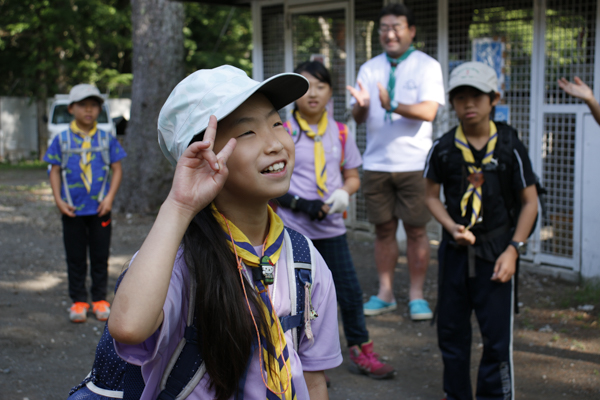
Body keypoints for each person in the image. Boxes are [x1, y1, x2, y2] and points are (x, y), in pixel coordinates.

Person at [107, 65, 342, 400]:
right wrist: (179, 205)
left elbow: (313, 378)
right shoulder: (177, 260)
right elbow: (129, 327)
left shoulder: (304, 260)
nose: (275, 143)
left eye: (277, 123)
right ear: (203, 155)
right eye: (247, 133)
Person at [423, 61, 538, 400]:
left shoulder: (509, 146)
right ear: (452, 103)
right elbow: (430, 196)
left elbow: (530, 202)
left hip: (497, 252)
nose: (468, 104)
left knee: (497, 339)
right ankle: (456, 394)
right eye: (460, 97)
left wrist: (513, 249)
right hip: (456, 252)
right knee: (452, 333)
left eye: (477, 96)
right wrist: (450, 227)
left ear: (494, 99)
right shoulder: (443, 148)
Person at [276, 61, 395, 379]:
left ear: (331, 92)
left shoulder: (341, 132)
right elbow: (271, 180)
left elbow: (352, 176)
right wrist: (300, 204)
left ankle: (361, 350)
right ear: (295, 94)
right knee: (298, 296)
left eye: (320, 86)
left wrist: (344, 193)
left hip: (332, 228)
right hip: (294, 229)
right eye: (305, 86)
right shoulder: (282, 131)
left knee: (350, 291)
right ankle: (305, 362)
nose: (312, 93)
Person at [347, 3, 445, 320]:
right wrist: (361, 106)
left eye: (396, 26)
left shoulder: (427, 66)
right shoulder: (369, 68)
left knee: (417, 231)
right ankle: (385, 292)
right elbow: (358, 116)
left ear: (411, 30)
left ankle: (417, 296)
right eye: (384, 28)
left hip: (416, 164)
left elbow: (430, 111)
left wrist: (395, 104)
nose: (389, 33)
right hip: (376, 163)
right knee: (383, 231)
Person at [44, 84, 126, 323]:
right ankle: (78, 301)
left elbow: (117, 168)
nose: (89, 110)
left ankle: (100, 298)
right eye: (83, 105)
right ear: (71, 108)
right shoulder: (62, 139)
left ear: (100, 109)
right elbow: (54, 170)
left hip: (100, 209)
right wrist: (59, 201)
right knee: (75, 256)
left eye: (94, 105)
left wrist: (110, 198)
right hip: (72, 210)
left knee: (100, 255)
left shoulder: (106, 138)